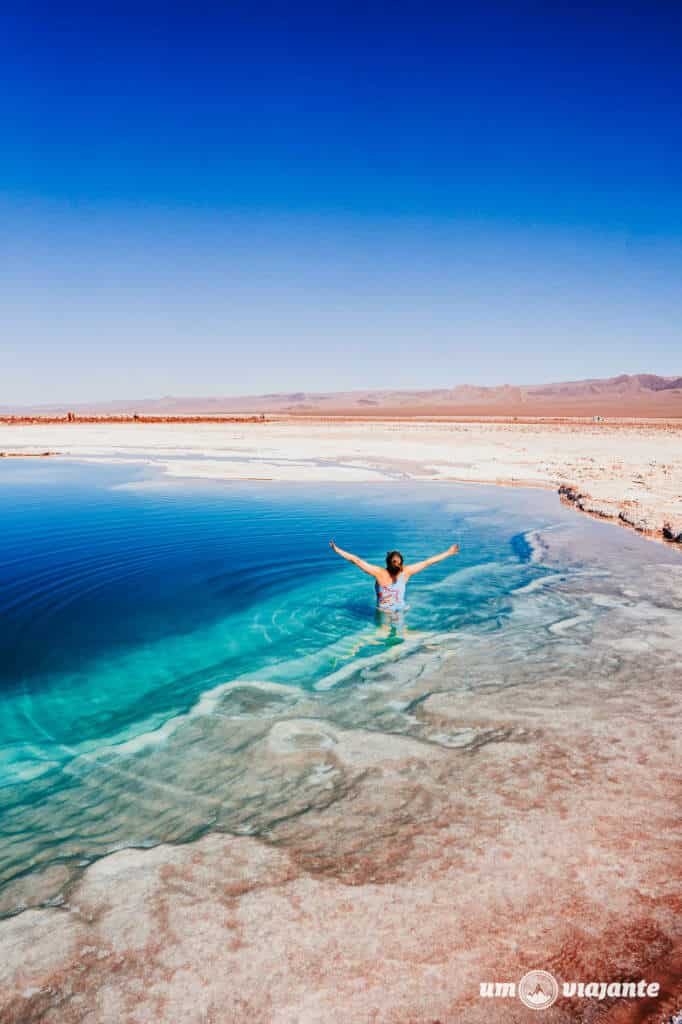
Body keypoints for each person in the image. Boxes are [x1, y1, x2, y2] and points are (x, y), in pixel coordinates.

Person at [329, 540, 460, 612]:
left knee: (383, 638)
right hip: (401, 611)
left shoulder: (380, 572)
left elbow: (356, 560)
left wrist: (338, 550)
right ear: (401, 562)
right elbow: (428, 562)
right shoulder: (405, 572)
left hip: (385, 613)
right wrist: (448, 552)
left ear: (387, 562)